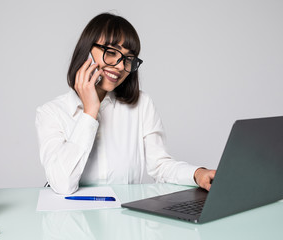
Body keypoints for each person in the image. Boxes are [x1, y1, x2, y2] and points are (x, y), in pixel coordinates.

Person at [35, 13, 216, 195]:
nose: (120, 66)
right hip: (77, 220)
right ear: (87, 51)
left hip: (125, 219)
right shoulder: (51, 113)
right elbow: (62, 184)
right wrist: (90, 112)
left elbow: (160, 165)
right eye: (111, 52)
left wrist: (197, 174)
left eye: (128, 59)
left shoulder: (141, 104)